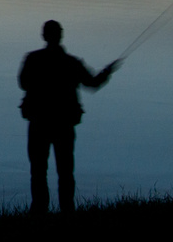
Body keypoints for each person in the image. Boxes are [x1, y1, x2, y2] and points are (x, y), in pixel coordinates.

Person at [18, 19, 119, 214]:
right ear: (60, 35)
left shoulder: (32, 59)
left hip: (39, 122)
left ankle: (39, 209)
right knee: (65, 171)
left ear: (44, 36)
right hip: (63, 124)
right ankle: (67, 209)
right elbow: (93, 83)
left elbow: (23, 83)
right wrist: (107, 72)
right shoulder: (71, 62)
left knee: (38, 171)